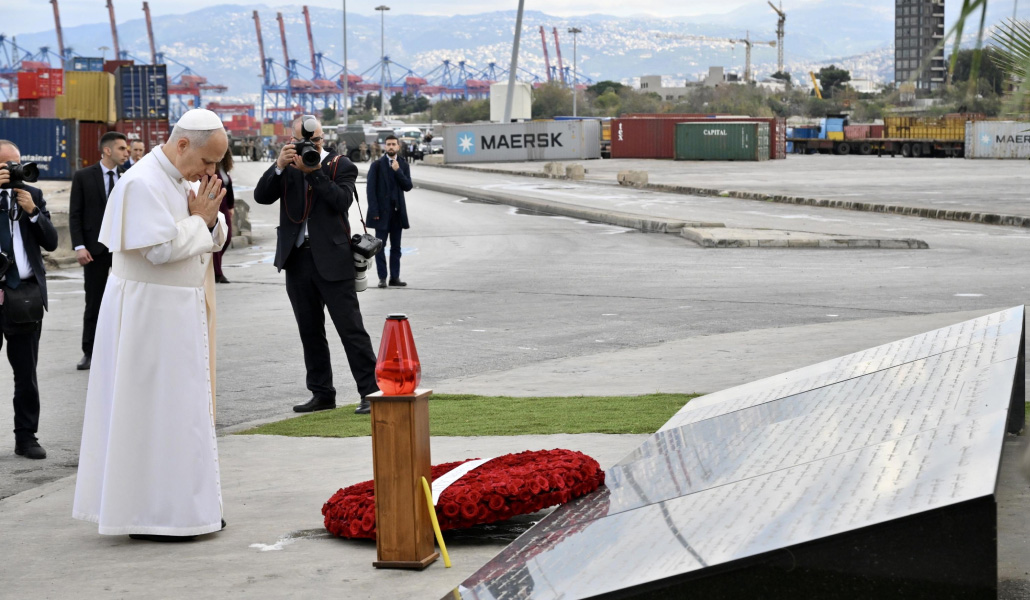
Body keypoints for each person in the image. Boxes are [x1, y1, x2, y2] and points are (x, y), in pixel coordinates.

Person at [73, 109, 230, 542]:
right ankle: (148, 513)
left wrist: (208, 220)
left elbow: (208, 231)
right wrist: (201, 220)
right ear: (183, 145)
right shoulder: (141, 182)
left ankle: (184, 508)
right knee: (150, 416)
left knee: (183, 414)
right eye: (207, 161)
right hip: (148, 316)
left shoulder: (181, 178)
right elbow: (160, 249)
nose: (209, 172)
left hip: (176, 312)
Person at [253, 116, 379, 415]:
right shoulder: (287, 166)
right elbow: (261, 196)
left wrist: (315, 172)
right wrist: (280, 166)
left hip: (334, 260)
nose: (312, 146)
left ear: (325, 138)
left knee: (351, 330)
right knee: (310, 331)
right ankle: (322, 393)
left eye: (317, 140)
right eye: (304, 142)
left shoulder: (340, 165)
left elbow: (341, 201)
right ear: (291, 140)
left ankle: (371, 392)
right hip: (297, 259)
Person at [0, 141, 59, 460]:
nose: (14, 170)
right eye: (7, 165)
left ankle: (26, 437)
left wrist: (33, 213)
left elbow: (51, 241)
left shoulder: (31, 196)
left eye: (17, 163)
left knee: (26, 374)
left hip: (24, 296)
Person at [69, 131, 129, 370]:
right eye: (122, 148)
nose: (126, 152)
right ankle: (89, 352)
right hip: (94, 251)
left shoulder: (129, 177)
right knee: (94, 302)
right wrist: (80, 246)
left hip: (123, 250)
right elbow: (75, 214)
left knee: (125, 301)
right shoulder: (83, 176)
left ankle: (121, 352)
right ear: (107, 150)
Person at [366, 135, 412, 289]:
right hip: (381, 213)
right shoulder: (377, 165)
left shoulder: (403, 164)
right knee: (379, 247)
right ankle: (382, 278)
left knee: (396, 248)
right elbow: (370, 191)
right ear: (385, 147)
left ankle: (395, 277)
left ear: (398, 147)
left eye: (393, 144)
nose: (391, 147)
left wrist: (398, 171)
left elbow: (408, 186)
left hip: (397, 213)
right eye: (388, 144)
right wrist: (374, 211)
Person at [213, 147, 235, 284]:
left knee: (226, 238)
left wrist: (231, 206)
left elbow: (229, 187)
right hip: (214, 206)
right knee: (217, 239)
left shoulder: (223, 168)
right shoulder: (210, 168)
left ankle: (215, 268)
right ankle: (217, 273)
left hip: (225, 206)